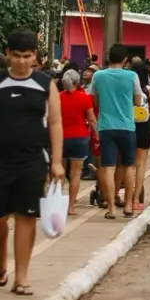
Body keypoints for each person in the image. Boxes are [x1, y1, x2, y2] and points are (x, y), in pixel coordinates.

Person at [0, 29, 65, 296]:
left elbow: (56, 123)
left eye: (27, 56)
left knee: (26, 218)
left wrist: (57, 161)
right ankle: (1, 263)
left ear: (35, 57)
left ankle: (22, 277)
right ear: (7, 55)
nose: (22, 61)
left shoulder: (44, 83)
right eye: (16, 56)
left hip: (32, 161)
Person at [89, 44, 142, 219]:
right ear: (125, 60)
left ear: (108, 58)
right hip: (127, 126)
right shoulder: (132, 76)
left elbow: (95, 101)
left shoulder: (98, 76)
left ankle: (111, 208)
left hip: (105, 126)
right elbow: (137, 100)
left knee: (108, 168)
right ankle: (127, 205)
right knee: (128, 166)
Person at [58, 69, 96, 217]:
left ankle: (57, 206)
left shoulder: (56, 97)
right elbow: (92, 120)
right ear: (77, 82)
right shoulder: (84, 98)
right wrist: (97, 136)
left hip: (60, 138)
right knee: (75, 174)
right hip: (79, 138)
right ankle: (71, 207)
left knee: (59, 174)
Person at [130, 58, 150, 212]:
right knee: (141, 165)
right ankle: (136, 199)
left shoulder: (129, 89)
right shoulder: (149, 90)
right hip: (145, 127)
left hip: (129, 126)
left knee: (127, 165)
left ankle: (124, 197)